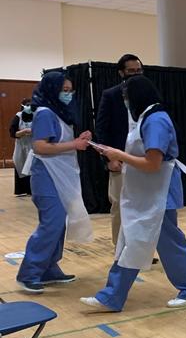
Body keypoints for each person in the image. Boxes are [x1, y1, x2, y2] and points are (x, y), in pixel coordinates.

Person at [80, 76, 186, 311]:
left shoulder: (156, 120)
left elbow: (152, 163)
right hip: (148, 192)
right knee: (133, 239)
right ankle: (112, 296)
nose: (125, 101)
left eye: (126, 96)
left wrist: (117, 154)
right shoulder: (145, 118)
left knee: (168, 244)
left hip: (160, 193)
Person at [16, 72, 93, 293]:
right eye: (64, 91)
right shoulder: (45, 113)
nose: (67, 95)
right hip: (47, 175)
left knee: (59, 224)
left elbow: (60, 141)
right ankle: (29, 272)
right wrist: (74, 145)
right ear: (52, 90)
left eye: (70, 91)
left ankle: (48, 267)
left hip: (60, 173)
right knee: (51, 224)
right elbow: (40, 147)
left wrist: (78, 140)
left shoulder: (58, 112)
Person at [96, 54, 144, 248]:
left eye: (138, 70)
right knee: (120, 206)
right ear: (121, 73)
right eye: (131, 71)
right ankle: (121, 248)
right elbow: (102, 130)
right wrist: (108, 159)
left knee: (142, 206)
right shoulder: (111, 95)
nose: (135, 74)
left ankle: (141, 247)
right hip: (119, 159)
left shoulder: (146, 94)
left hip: (143, 159)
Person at [9, 98, 33, 196]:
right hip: (21, 145)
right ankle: (21, 189)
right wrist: (23, 132)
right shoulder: (17, 116)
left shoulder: (36, 116)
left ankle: (32, 189)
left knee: (32, 167)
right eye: (27, 105)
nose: (29, 107)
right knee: (20, 165)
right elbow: (12, 133)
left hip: (32, 145)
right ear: (23, 106)